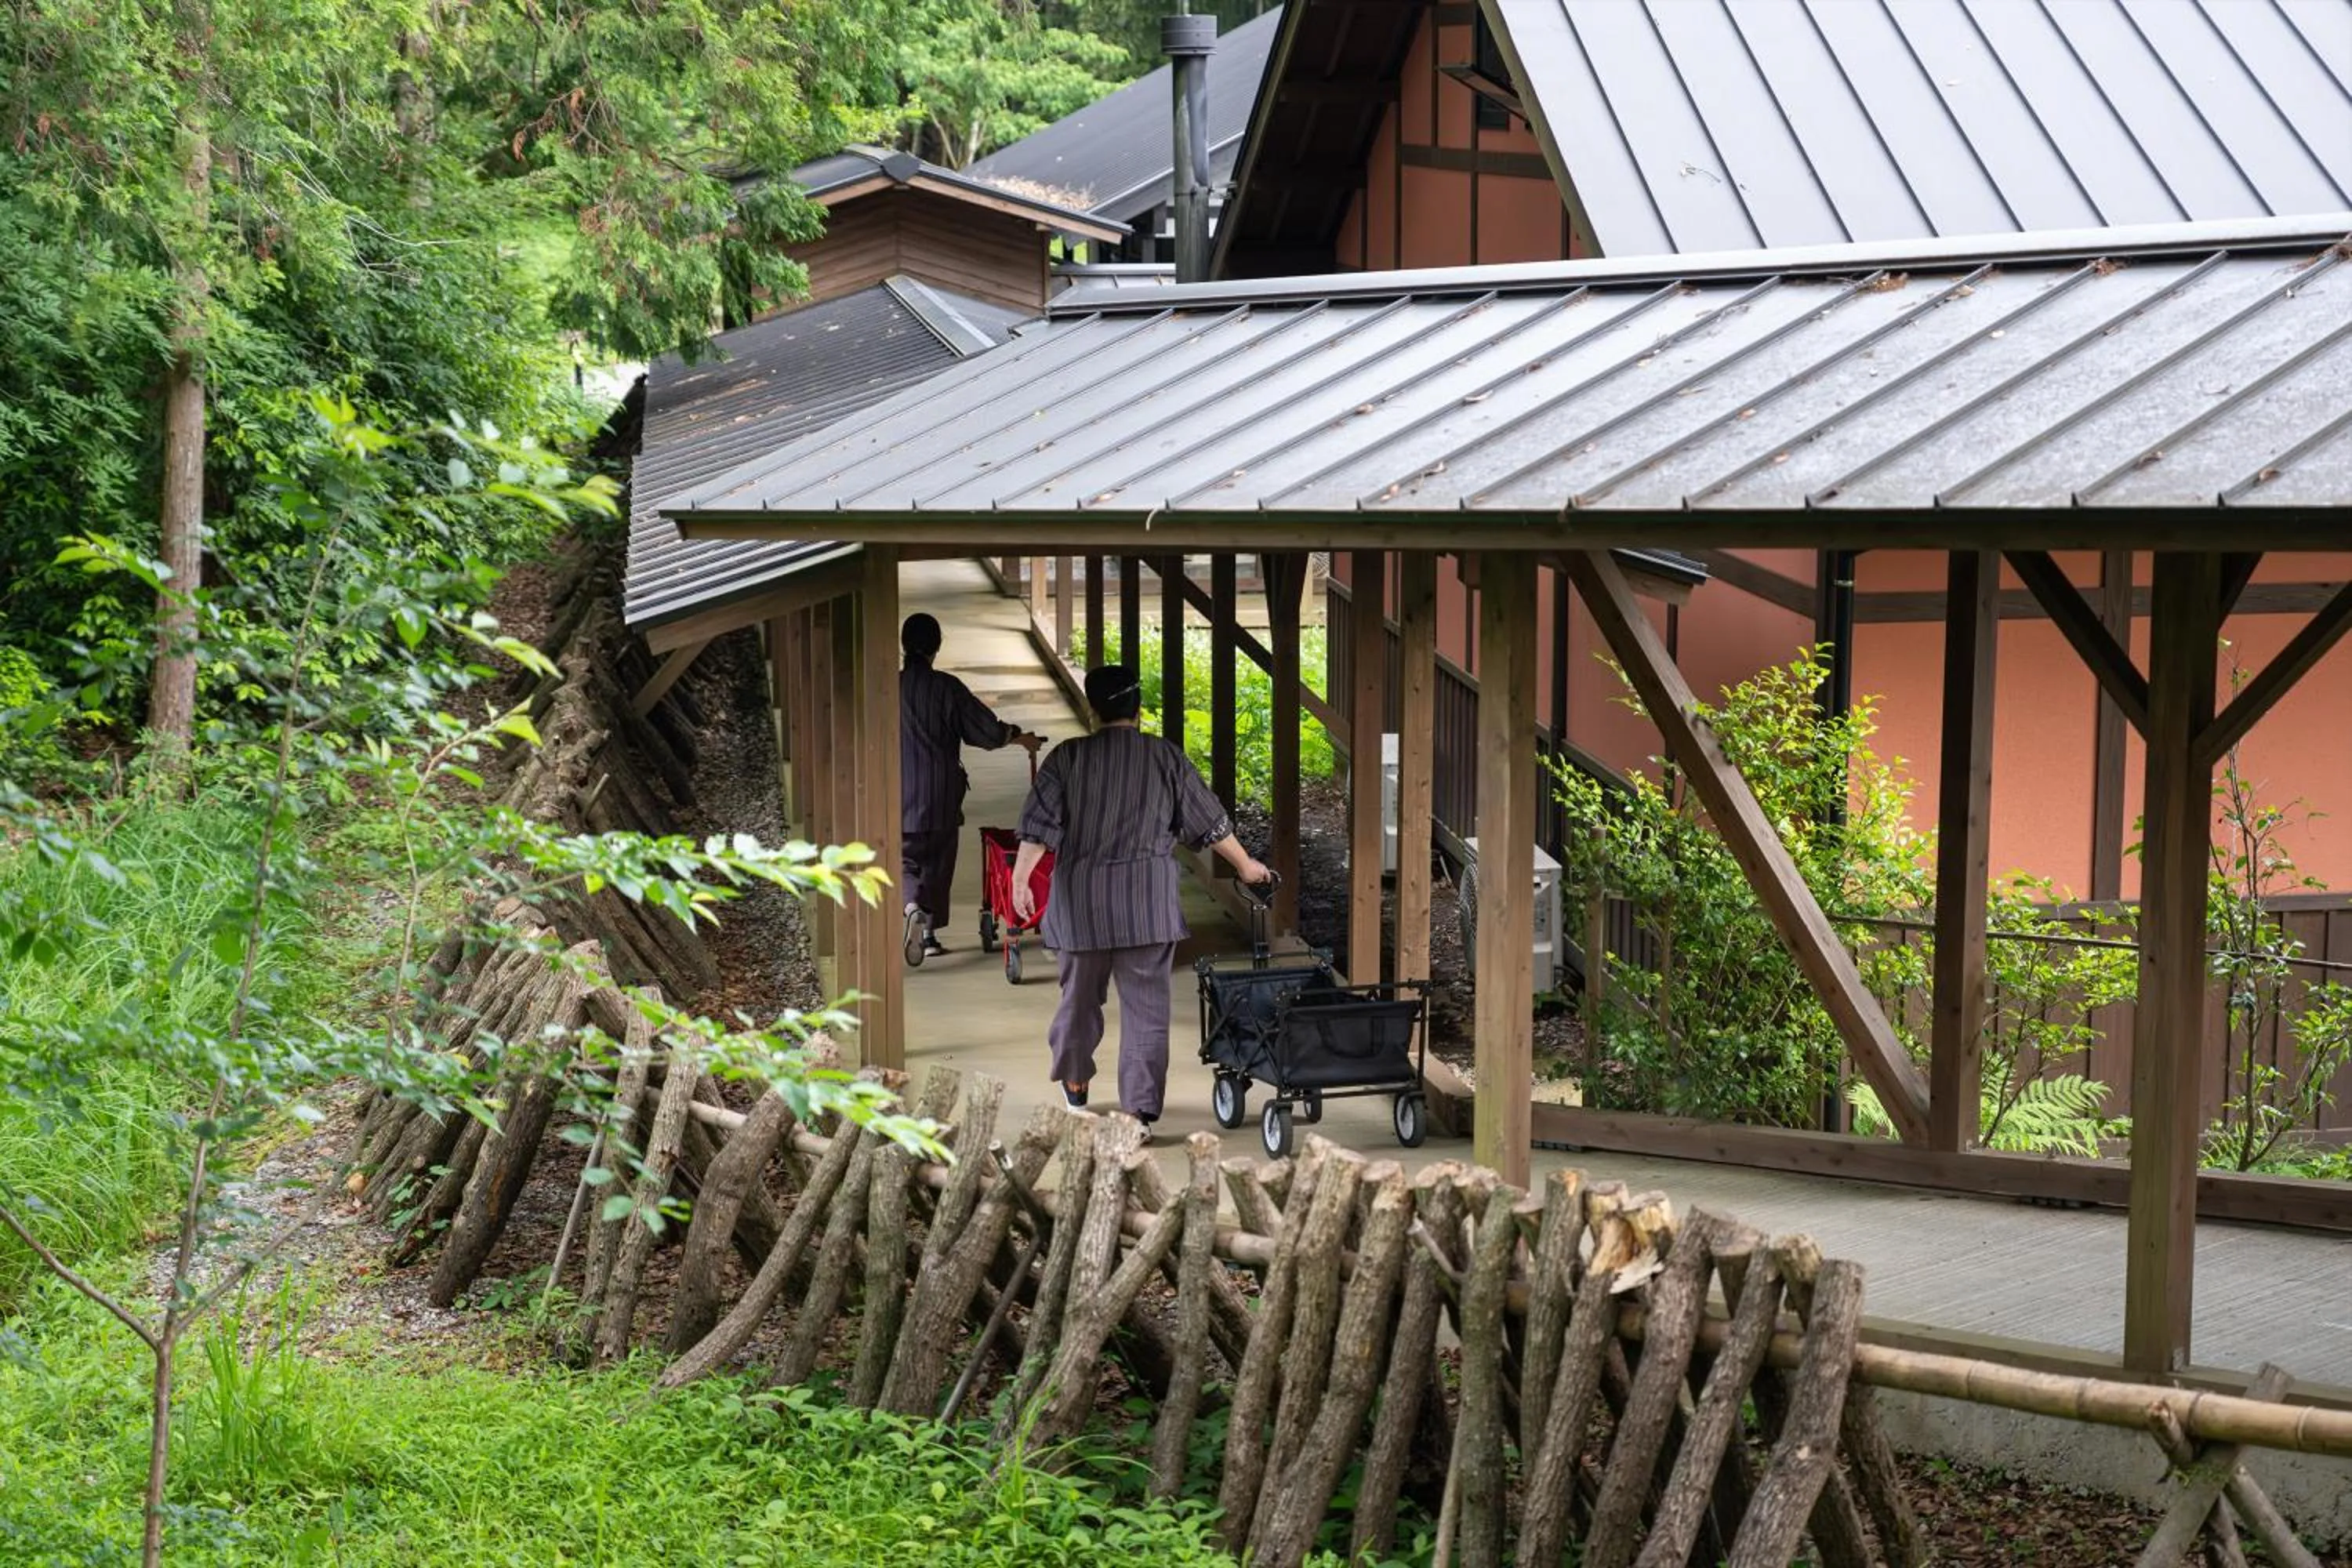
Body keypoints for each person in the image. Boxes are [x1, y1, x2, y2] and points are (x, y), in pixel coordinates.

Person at [1011, 663, 1271, 1131]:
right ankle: (1138, 1114)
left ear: (1093, 709)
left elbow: (1037, 829)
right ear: (1139, 710)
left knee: (1078, 1001)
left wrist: (1019, 879)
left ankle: (1074, 1084)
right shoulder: (1164, 757)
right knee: (1147, 1011)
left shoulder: (1067, 759)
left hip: (1081, 907)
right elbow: (1210, 824)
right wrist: (1246, 866)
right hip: (1147, 907)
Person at [900, 612, 1040, 966]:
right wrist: (1018, 736)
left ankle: (911, 906)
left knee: (904, 858)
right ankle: (929, 935)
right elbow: (986, 732)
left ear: (903, 647)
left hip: (898, 789)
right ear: (937, 647)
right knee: (938, 858)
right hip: (942, 790)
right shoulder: (947, 688)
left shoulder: (889, 688)